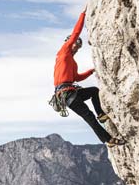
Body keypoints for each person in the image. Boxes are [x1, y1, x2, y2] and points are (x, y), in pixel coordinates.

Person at [53, 9, 124, 146]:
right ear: (68, 43)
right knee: (88, 117)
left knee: (93, 91)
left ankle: (101, 114)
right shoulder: (63, 53)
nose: (76, 48)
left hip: (71, 91)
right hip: (66, 94)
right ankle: (108, 139)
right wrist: (83, 14)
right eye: (75, 45)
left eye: (78, 47)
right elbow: (76, 32)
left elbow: (76, 78)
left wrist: (91, 71)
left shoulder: (71, 62)